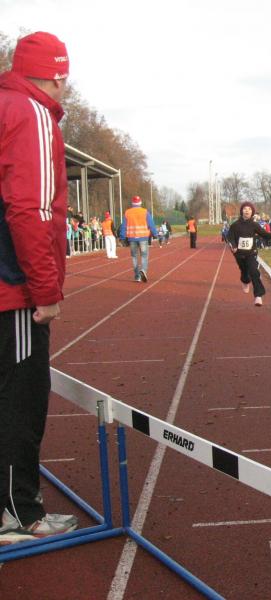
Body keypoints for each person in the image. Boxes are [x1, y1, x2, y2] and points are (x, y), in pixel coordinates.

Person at [0, 31, 79, 544]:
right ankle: (19, 513)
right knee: (21, 400)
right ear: (57, 75)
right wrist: (45, 291)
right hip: (13, 292)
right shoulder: (30, 114)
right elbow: (33, 209)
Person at [226, 201, 271, 306]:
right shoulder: (235, 225)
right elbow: (230, 237)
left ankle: (258, 296)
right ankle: (245, 281)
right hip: (239, 254)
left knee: (254, 271)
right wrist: (233, 246)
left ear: (252, 212)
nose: (247, 210)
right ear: (241, 211)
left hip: (251, 253)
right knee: (244, 272)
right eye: (245, 209)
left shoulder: (254, 225)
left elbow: (263, 233)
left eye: (249, 209)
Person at [120, 195, 158, 282]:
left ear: (132, 203)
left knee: (134, 257)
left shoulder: (127, 213)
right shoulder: (145, 212)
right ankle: (143, 270)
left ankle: (137, 276)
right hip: (143, 237)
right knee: (144, 255)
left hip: (132, 238)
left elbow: (123, 226)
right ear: (140, 203)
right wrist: (155, 234)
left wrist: (122, 237)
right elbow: (151, 224)